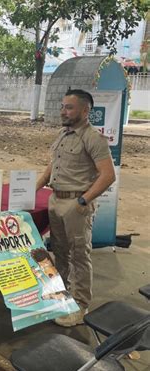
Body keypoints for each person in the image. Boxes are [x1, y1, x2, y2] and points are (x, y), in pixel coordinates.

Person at [36, 89, 115, 327]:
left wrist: (83, 201)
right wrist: (34, 188)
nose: (63, 111)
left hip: (75, 204)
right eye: (62, 106)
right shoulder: (64, 135)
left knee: (80, 255)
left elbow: (108, 175)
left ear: (85, 110)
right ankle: (59, 297)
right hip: (56, 200)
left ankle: (80, 305)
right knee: (59, 252)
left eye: (69, 107)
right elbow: (53, 166)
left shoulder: (93, 138)